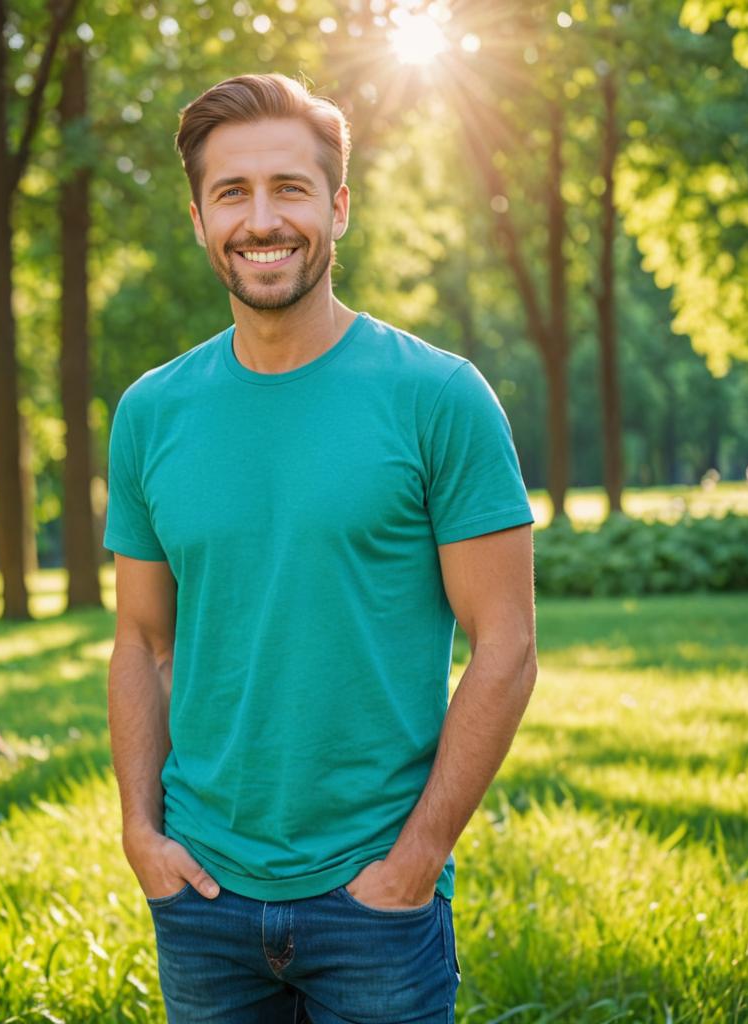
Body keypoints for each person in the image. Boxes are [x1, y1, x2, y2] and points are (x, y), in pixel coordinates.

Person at [104, 72, 537, 1024]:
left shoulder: (440, 398)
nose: (263, 220)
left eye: (290, 189)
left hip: (375, 900)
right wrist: (142, 836)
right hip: (202, 897)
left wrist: (417, 859)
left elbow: (505, 643)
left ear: (339, 207)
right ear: (199, 219)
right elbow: (141, 641)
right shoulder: (150, 414)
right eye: (233, 193)